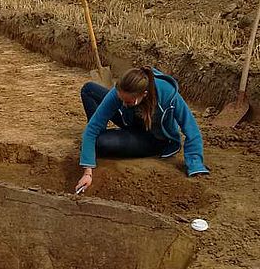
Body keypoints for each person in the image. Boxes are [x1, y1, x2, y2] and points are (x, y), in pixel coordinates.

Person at [75, 66, 209, 192]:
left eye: (127, 102)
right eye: (121, 99)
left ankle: (107, 141)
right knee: (89, 89)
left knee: (99, 143)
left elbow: (190, 127)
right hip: (130, 121)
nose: (123, 104)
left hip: (152, 139)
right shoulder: (122, 91)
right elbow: (93, 127)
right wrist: (88, 172)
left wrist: (195, 164)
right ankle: (104, 139)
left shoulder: (168, 94)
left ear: (143, 94)